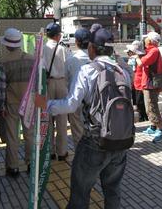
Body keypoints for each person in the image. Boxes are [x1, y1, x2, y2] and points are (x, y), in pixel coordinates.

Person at [37, 27, 131, 209]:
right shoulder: (123, 72)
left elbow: (71, 104)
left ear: (92, 49)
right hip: (121, 141)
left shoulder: (88, 71)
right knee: (113, 190)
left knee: (80, 191)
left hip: (94, 143)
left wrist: (46, 105)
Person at [0, 28, 35, 176]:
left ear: (7, 45)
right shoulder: (32, 59)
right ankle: (31, 163)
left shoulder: (4, 61)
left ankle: (13, 167)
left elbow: (1, 88)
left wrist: (1, 106)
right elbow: (37, 83)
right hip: (29, 102)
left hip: (11, 102)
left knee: (12, 136)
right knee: (30, 134)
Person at [43, 23, 70, 160]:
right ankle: (62, 152)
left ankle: (50, 151)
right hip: (61, 83)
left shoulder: (42, 48)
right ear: (57, 35)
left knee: (47, 119)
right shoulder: (62, 49)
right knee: (61, 120)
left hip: (47, 83)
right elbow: (68, 67)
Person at [136, 31, 162, 143]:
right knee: (149, 105)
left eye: (146, 39)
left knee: (152, 106)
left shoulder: (154, 51)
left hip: (150, 84)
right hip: (149, 83)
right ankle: (153, 127)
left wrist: (137, 57)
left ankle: (160, 131)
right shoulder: (152, 50)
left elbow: (141, 63)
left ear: (150, 40)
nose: (145, 40)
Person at [65, 28, 91, 146]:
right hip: (94, 100)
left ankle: (80, 156)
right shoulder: (95, 58)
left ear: (76, 42)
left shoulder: (71, 60)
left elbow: (65, 81)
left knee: (77, 129)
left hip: (76, 99)